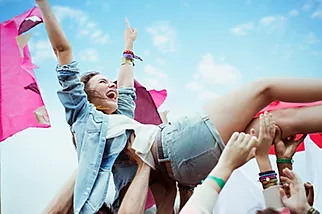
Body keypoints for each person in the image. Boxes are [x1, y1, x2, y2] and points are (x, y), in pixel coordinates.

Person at [37, 0, 322, 212]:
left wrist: (128, 47)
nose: (111, 85)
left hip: (185, 168)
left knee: (282, 121)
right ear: (85, 97)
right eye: (101, 83)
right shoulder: (86, 120)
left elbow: (124, 83)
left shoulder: (118, 130)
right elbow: (63, 51)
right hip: (175, 144)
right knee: (264, 89)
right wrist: (43, 4)